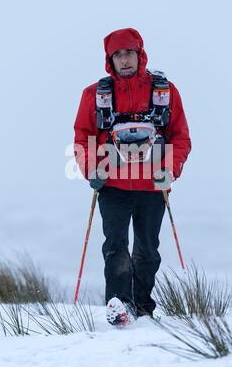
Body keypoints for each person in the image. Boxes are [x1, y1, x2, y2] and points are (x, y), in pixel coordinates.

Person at [74, 28, 191, 325]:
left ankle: (143, 306)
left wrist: (171, 170)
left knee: (147, 251)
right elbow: (82, 137)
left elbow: (180, 137)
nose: (124, 60)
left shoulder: (165, 92)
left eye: (129, 53)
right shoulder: (94, 95)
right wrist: (91, 169)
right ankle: (119, 306)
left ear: (140, 55)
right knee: (115, 247)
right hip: (111, 185)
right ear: (109, 60)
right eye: (118, 54)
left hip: (153, 186)